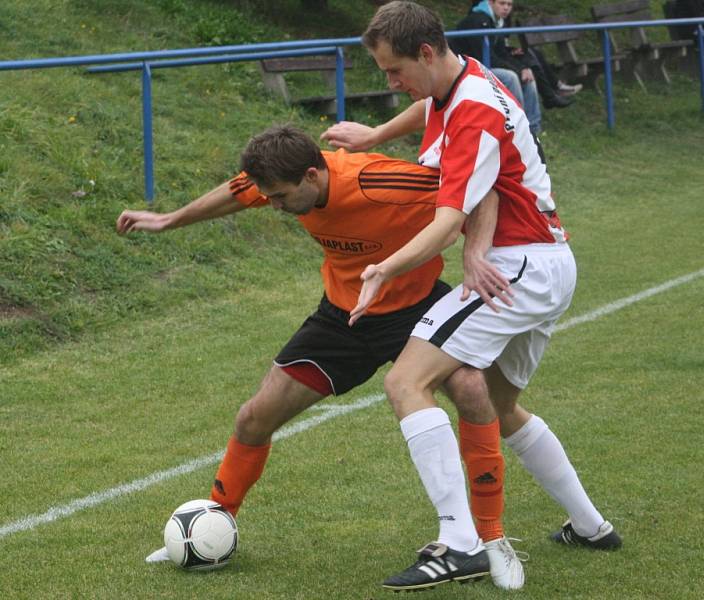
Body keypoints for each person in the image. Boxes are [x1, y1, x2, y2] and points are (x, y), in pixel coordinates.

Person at [116, 125, 527, 590]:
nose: (272, 204)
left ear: (312, 175)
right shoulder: (282, 179)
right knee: (254, 417)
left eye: (280, 197)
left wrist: (474, 250)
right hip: (343, 318)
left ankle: (490, 539)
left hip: (418, 308)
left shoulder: (381, 181)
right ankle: (213, 524)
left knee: (473, 390)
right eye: (268, 195)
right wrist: (169, 220)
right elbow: (238, 192)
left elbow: (481, 186)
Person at [322, 1, 620, 592]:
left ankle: (460, 543)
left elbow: (446, 219)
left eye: (393, 69)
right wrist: (377, 134)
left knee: (406, 382)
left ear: (426, 53)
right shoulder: (461, 81)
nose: (390, 83)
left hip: (518, 269)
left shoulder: (474, 112)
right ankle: (591, 526)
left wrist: (383, 268)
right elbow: (430, 112)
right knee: (500, 406)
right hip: (546, 262)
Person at [449, 0, 545, 135]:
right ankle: (518, 126)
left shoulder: (498, 22)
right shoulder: (478, 20)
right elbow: (483, 57)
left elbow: (502, 54)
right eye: (502, 3)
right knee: (511, 77)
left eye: (509, 5)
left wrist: (523, 68)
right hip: (467, 67)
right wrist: (517, 71)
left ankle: (533, 128)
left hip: (485, 64)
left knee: (528, 76)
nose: (506, 8)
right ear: (491, 3)